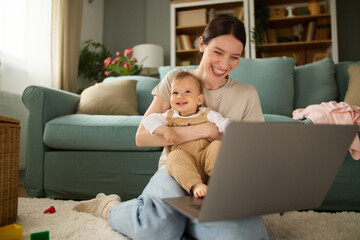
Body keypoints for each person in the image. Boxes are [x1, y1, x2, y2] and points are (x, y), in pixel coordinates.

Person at [74, 14, 269, 240]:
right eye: (217, 52)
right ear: (202, 44)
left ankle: (181, 221)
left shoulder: (247, 94)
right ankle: (108, 207)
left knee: (247, 236)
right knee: (157, 231)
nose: (225, 64)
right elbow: (143, 136)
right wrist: (204, 131)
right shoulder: (175, 81)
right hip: (176, 170)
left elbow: (255, 151)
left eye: (234, 57)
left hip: (222, 178)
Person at [143, 71, 230, 198]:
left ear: (199, 99)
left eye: (187, 92)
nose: (180, 96)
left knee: (217, 145)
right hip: (184, 164)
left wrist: (235, 134)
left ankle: (217, 181)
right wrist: (165, 130)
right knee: (173, 157)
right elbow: (148, 120)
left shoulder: (207, 113)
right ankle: (196, 185)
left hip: (205, 159)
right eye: (175, 93)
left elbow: (224, 123)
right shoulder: (168, 116)